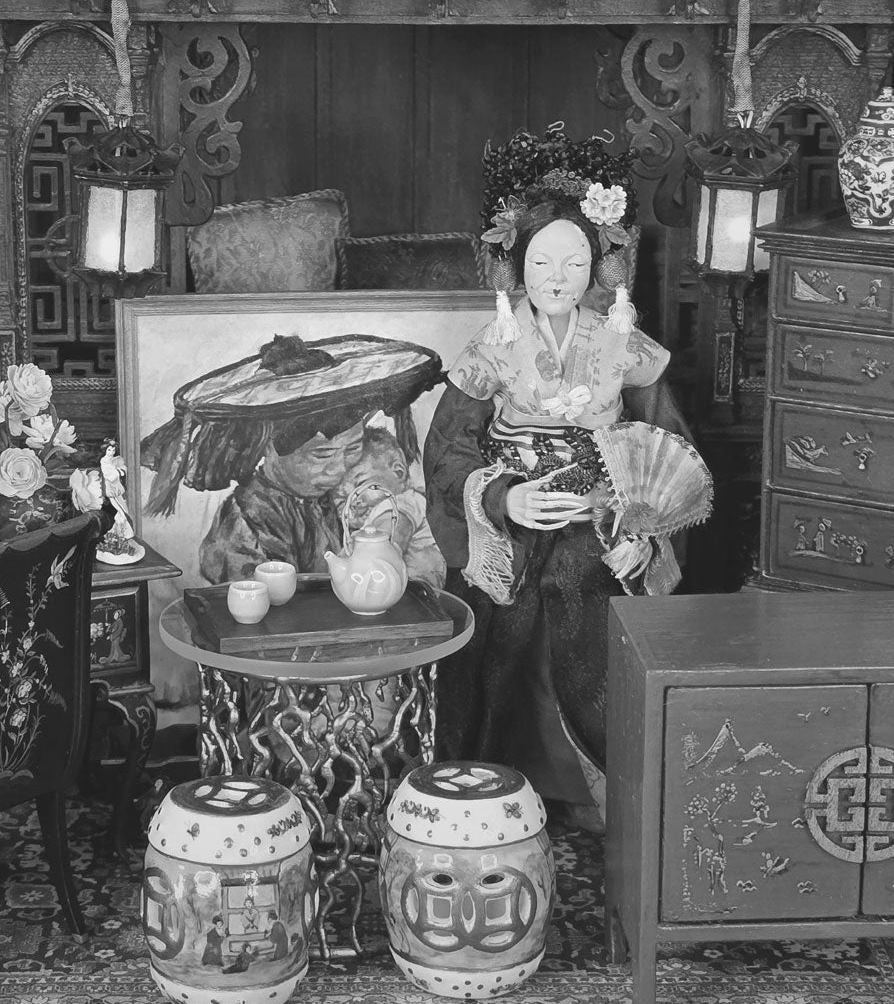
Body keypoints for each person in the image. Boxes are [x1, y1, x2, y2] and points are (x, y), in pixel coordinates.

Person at [424, 169, 698, 819]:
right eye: (541, 261)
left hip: (599, 526)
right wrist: (502, 499)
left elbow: (669, 447)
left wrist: (644, 527)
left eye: (575, 262)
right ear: (517, 266)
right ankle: (483, 796)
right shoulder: (492, 348)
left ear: (597, 267)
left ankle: (610, 807)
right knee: (496, 648)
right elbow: (446, 452)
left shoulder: (623, 344)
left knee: (590, 620)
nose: (557, 276)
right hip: (513, 530)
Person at [139, 332, 444, 584]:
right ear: (268, 450)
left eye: (352, 449)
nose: (340, 469)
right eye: (322, 454)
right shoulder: (247, 519)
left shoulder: (337, 499)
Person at [340, 426, 447, 592]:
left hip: (408, 593)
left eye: (361, 484)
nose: (353, 501)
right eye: (342, 498)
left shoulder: (400, 503)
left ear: (398, 472)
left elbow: (387, 542)